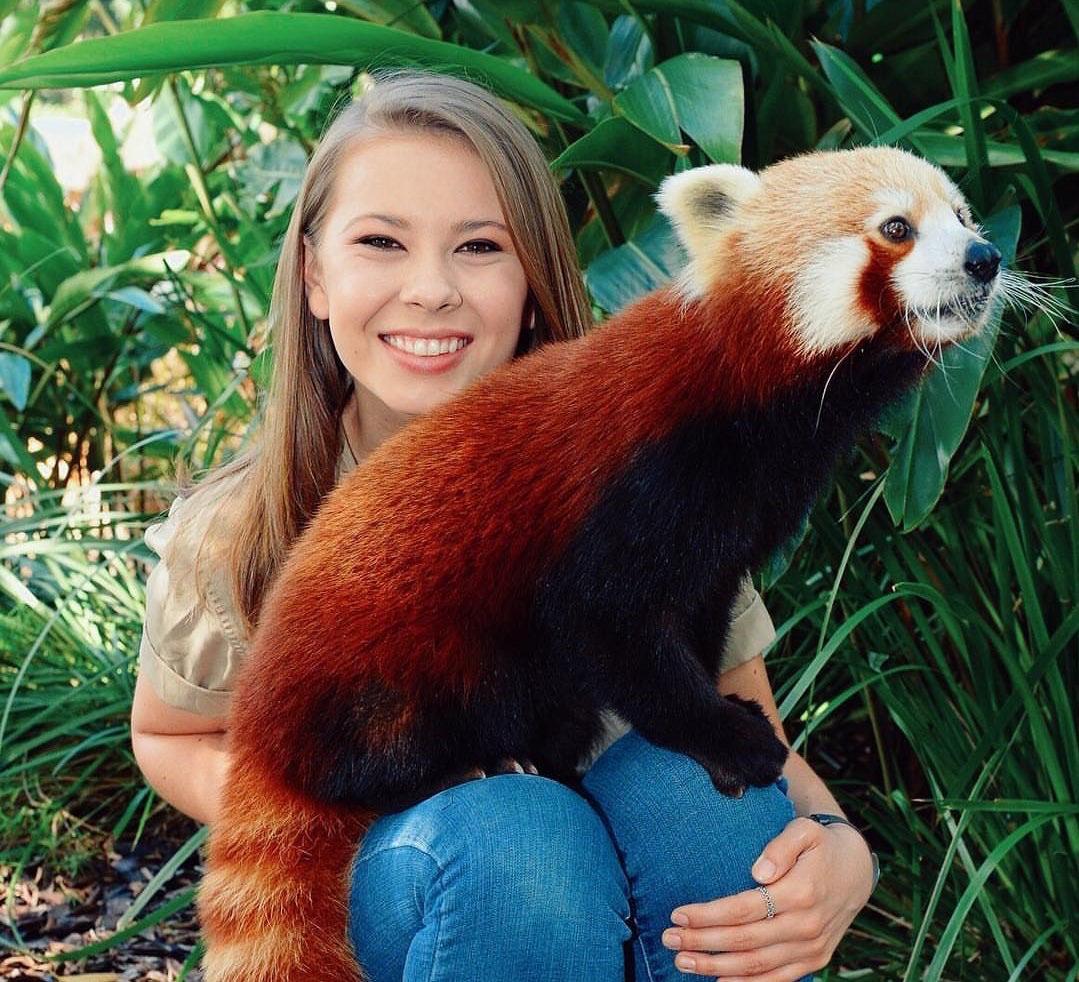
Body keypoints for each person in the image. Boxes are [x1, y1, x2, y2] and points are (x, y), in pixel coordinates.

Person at [129, 69, 877, 982]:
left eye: (480, 246)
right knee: (518, 840)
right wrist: (335, 818)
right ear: (313, 276)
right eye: (380, 242)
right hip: (436, 863)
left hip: (613, 833)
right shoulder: (238, 526)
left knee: (704, 794)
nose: (432, 289)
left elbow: (736, 710)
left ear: (532, 281)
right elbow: (169, 734)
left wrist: (839, 844)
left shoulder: (653, 460)